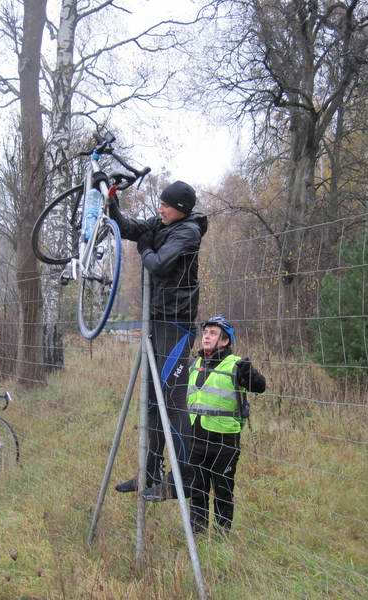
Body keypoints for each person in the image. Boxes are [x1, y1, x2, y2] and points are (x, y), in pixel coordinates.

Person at [107, 178, 209, 498]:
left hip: (175, 326)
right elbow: (127, 228)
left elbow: (158, 264)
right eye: (161, 204)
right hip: (156, 322)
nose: (160, 208)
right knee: (151, 404)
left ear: (180, 209)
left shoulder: (187, 232)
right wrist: (113, 202)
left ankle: (183, 481)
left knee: (173, 404)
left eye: (166, 205)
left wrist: (144, 246)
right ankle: (150, 473)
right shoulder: (164, 223)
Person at [184, 315, 266, 533]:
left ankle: (222, 540)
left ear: (225, 341)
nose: (206, 336)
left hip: (224, 443)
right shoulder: (194, 364)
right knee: (197, 490)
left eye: (213, 333)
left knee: (223, 492)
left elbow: (260, 387)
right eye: (206, 332)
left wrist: (250, 375)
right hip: (196, 439)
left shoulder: (236, 365)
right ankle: (198, 536)